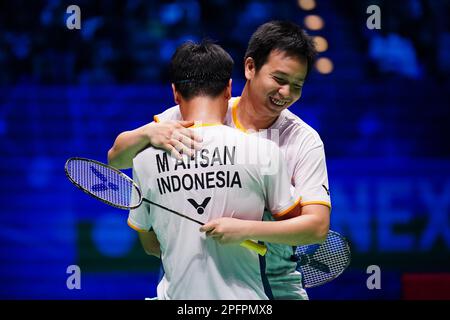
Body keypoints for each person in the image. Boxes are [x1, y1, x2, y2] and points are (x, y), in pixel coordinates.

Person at [109, 21, 330, 300]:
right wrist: (148, 132)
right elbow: (116, 159)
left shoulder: (303, 141)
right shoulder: (201, 109)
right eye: (279, 79)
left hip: (275, 284)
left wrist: (244, 230)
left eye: (297, 85)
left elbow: (317, 226)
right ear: (250, 68)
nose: (286, 93)